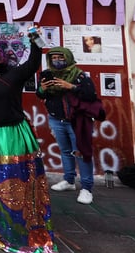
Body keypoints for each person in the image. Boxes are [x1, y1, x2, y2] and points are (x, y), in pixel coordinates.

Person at [0, 31, 60, 253]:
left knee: (14, 183)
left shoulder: (15, 74)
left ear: (4, 59)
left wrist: (36, 39)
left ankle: (16, 228)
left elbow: (33, 60)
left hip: (10, 135)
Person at [37, 47, 98, 205]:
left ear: (68, 58)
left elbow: (90, 94)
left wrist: (71, 87)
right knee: (65, 151)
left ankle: (86, 188)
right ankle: (69, 180)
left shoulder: (79, 75)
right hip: (56, 119)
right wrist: (42, 89)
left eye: (60, 57)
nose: (57, 60)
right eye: (54, 57)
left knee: (81, 153)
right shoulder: (47, 74)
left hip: (77, 121)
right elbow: (40, 94)